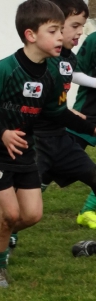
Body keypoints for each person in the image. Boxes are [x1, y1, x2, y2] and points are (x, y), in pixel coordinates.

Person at [0, 0, 96, 288]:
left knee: (33, 215)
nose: (61, 37)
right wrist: (2, 134)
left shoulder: (52, 74)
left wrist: (91, 127)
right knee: (11, 214)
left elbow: (58, 113)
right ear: (31, 35)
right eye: (54, 31)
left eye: (62, 31)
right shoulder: (4, 69)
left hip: (26, 148)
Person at [67, 30, 96, 229]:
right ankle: (16, 217)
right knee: (53, 165)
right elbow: (73, 73)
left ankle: (87, 211)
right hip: (86, 115)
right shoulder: (94, 39)